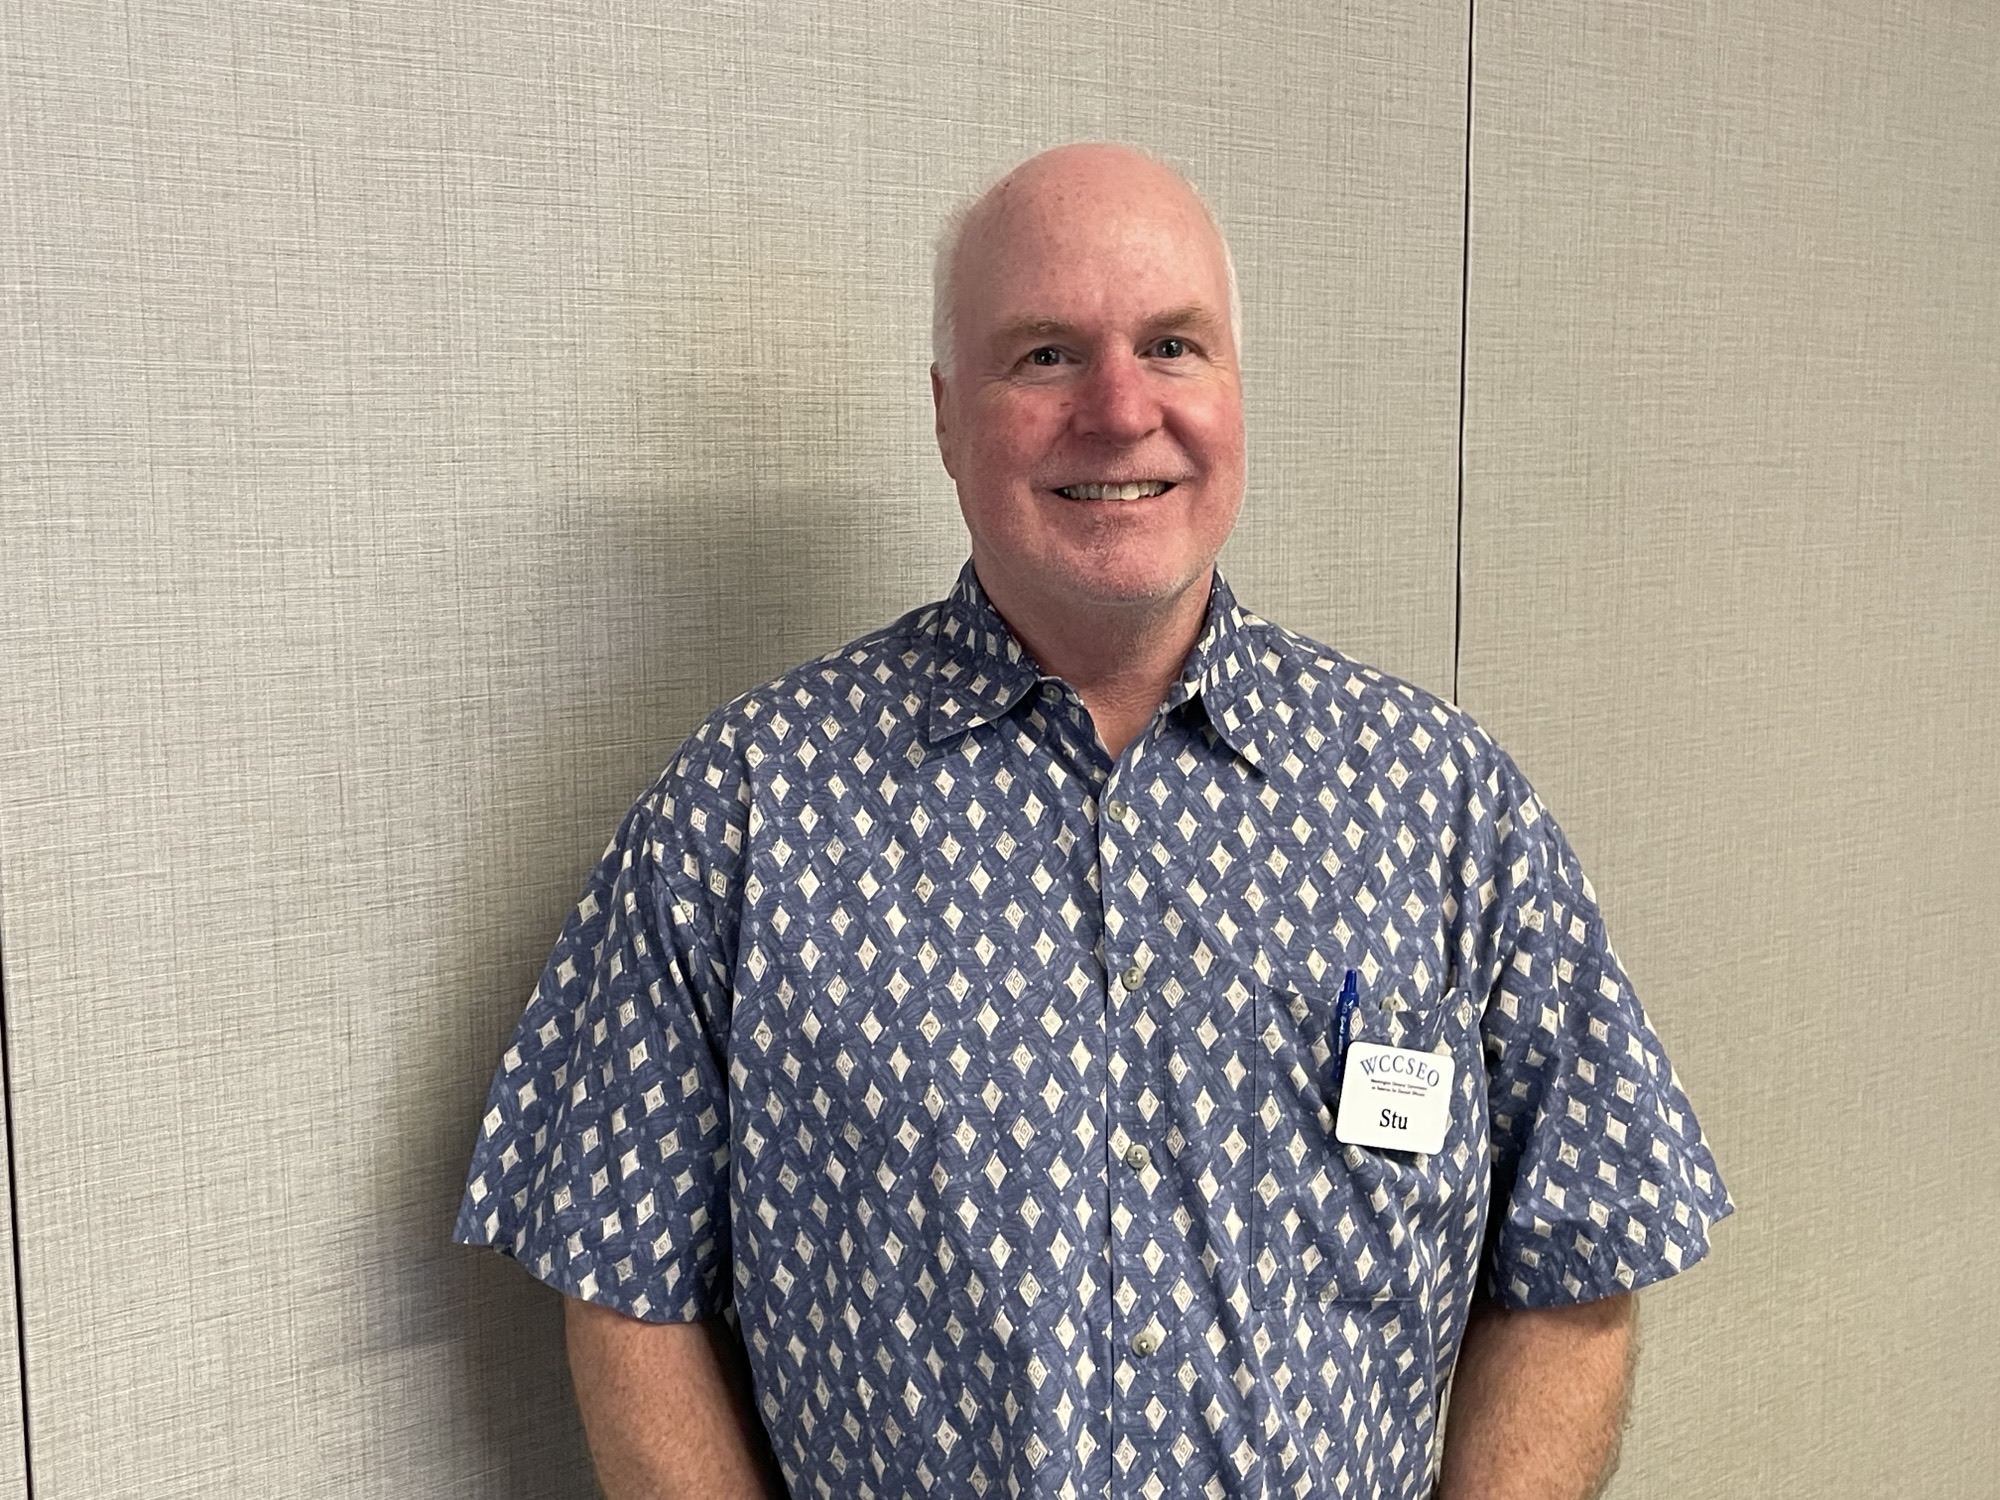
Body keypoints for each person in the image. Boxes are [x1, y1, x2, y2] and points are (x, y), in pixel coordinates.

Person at [455, 142, 1731, 1500]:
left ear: (1238, 391)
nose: (1121, 411)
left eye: (1173, 345)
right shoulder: (749, 814)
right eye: (1045, 355)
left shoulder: (1444, 806)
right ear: (948, 415)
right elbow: (619, 1279)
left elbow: (1583, 1248)